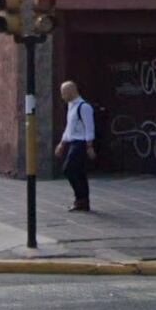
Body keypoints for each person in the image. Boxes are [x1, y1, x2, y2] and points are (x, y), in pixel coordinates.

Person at [54, 81, 96, 212]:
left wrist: (89, 145)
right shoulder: (71, 106)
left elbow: (90, 127)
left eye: (64, 93)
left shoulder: (84, 107)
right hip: (73, 142)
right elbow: (69, 127)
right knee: (79, 172)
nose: (62, 96)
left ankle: (80, 199)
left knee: (69, 169)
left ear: (72, 91)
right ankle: (82, 202)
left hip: (81, 143)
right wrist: (62, 143)